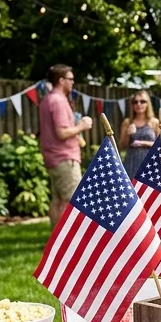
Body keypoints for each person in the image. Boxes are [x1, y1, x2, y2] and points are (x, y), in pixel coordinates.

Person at [38, 64, 92, 226]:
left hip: (53, 157)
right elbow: (62, 133)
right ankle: (66, 237)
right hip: (64, 157)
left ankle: (56, 237)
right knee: (70, 201)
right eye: (70, 79)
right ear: (61, 80)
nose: (72, 82)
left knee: (57, 200)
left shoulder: (48, 99)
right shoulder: (59, 101)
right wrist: (82, 126)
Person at [119, 90, 161, 176]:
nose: (139, 104)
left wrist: (143, 143)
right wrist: (128, 133)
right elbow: (122, 145)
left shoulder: (154, 122)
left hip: (150, 163)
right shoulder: (127, 122)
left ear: (148, 104)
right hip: (131, 163)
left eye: (142, 101)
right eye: (135, 102)